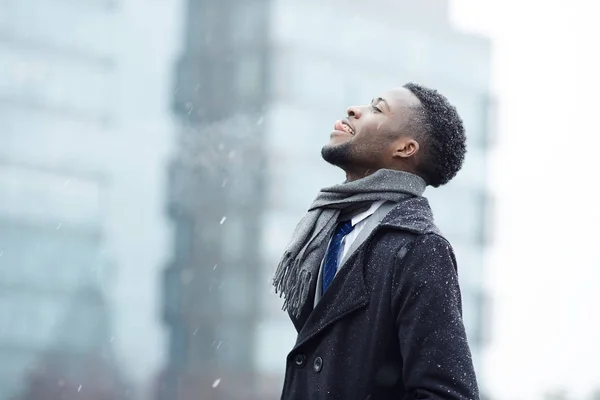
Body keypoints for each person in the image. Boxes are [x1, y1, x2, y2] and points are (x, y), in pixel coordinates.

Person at [273, 83, 480, 400]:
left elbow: (446, 393)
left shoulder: (420, 247)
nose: (355, 110)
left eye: (377, 108)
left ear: (405, 149)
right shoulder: (326, 230)